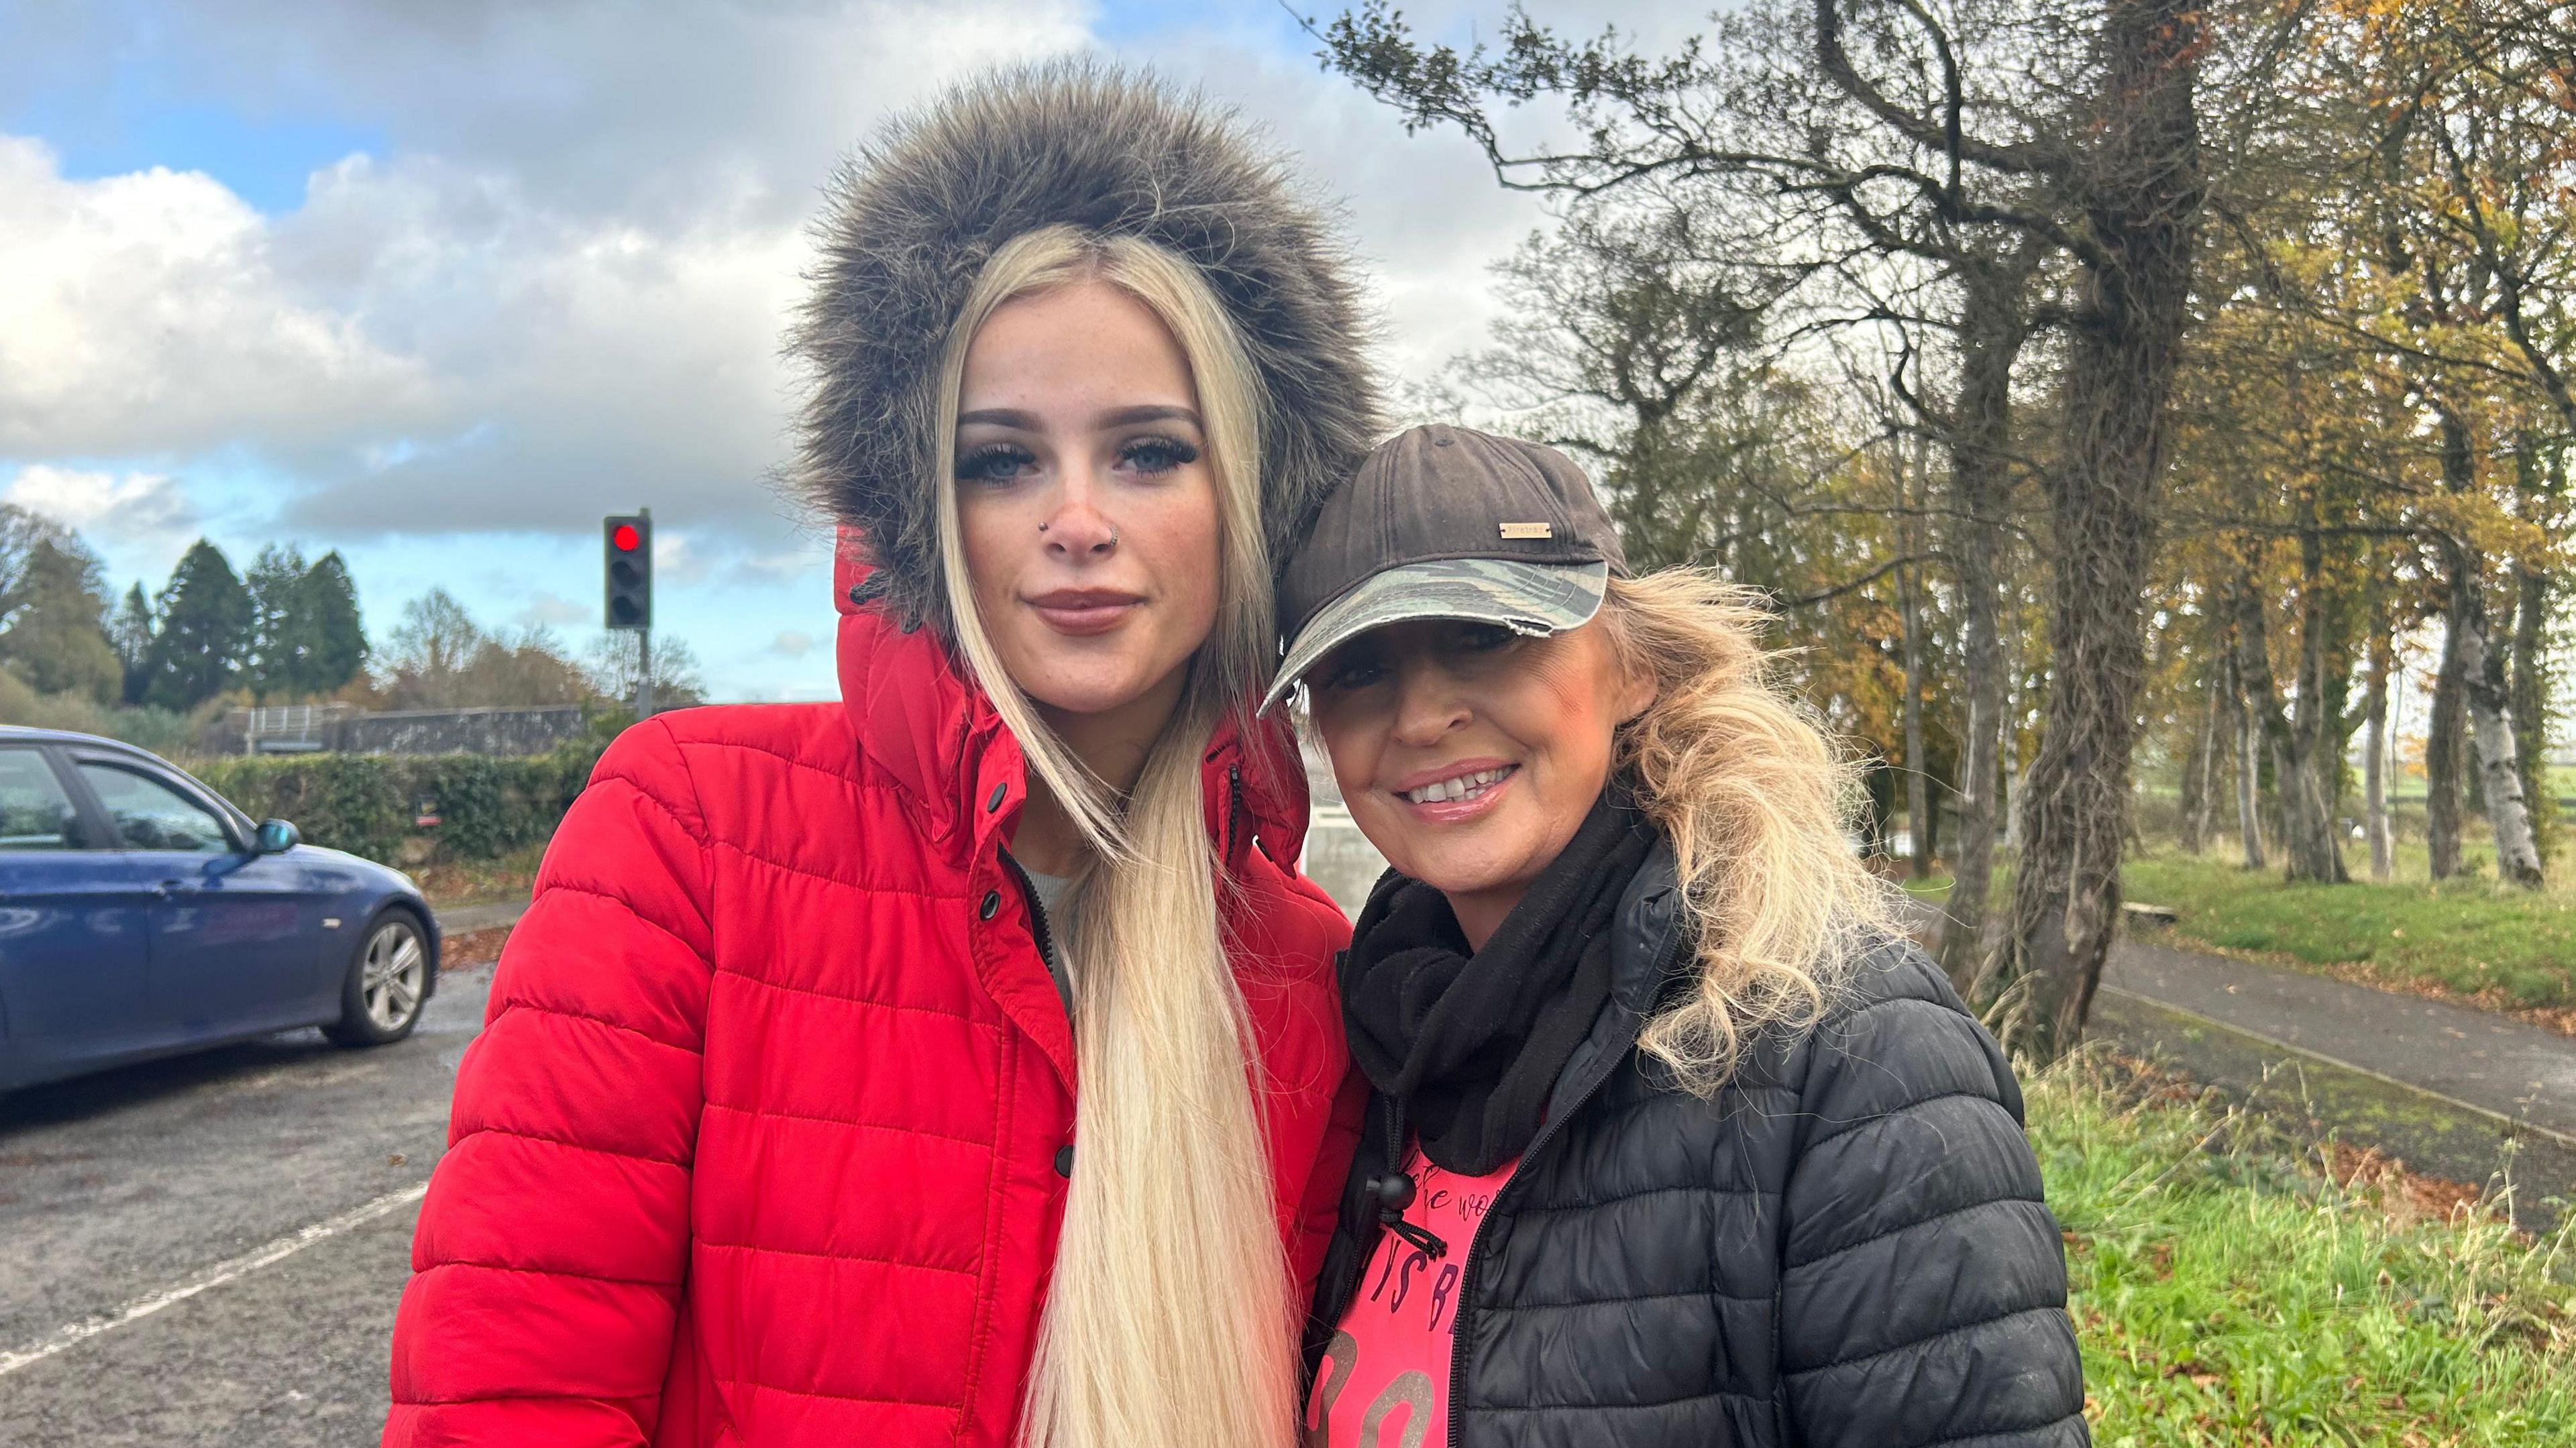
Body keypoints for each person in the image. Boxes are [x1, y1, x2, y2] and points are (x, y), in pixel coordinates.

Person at [384, 65, 1381, 1448]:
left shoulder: (1305, 969)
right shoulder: (690, 829)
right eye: (1000, 461)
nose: (1077, 520)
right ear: (916, 506)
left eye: (1151, 451)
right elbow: (511, 1395)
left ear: (1252, 497)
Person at [1275, 425, 2089, 1448]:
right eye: (1358, 670)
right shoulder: (1370, 1045)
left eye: (1489, 635)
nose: (1423, 716)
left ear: (1633, 669)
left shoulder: (1856, 1060)